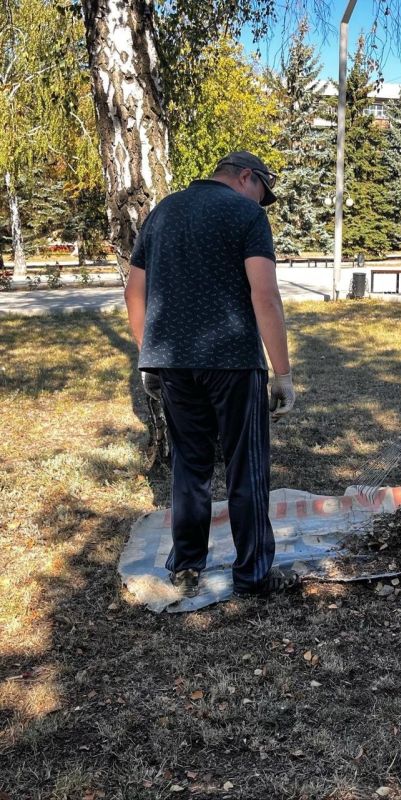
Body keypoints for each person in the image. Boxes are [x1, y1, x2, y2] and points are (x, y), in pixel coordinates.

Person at [124, 151, 297, 599]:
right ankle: (254, 576)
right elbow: (265, 295)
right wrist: (283, 374)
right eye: (262, 192)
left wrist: (149, 356)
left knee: (190, 465)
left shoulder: (163, 211)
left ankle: (185, 565)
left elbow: (134, 291)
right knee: (247, 468)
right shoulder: (245, 214)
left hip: (174, 362)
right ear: (246, 177)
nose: (262, 203)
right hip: (234, 362)